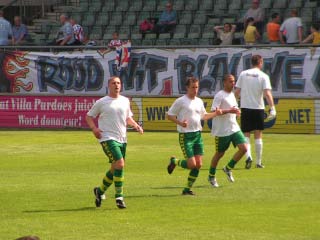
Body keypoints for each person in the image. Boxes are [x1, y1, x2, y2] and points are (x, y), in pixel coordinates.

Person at [86, 76, 143, 209]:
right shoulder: (102, 102)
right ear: (109, 86)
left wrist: (136, 125)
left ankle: (99, 192)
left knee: (115, 167)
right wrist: (94, 129)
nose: (116, 85)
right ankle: (119, 198)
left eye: (118, 83)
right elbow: (89, 116)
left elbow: (128, 117)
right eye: (113, 83)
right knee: (120, 163)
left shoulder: (124, 101)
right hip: (107, 138)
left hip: (122, 139)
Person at [166, 76, 222, 195]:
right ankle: (174, 161)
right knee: (192, 164)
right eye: (193, 87)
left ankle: (187, 189)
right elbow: (169, 115)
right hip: (186, 136)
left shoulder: (199, 101)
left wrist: (215, 114)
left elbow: (204, 116)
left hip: (197, 135)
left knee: (199, 164)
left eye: (197, 87)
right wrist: (180, 123)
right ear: (187, 87)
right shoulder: (181, 101)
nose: (195, 90)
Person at [235, 55, 276, 169]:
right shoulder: (263, 76)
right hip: (258, 108)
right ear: (260, 62)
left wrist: (234, 105)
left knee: (246, 134)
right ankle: (258, 162)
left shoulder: (243, 74)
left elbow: (237, 91)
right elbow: (267, 94)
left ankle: (248, 157)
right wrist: (272, 108)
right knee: (258, 134)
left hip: (245, 107)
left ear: (251, 62)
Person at [208, 74, 247, 187]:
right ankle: (211, 176)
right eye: (230, 81)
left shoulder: (232, 95)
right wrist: (229, 110)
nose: (233, 83)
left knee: (244, 148)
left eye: (234, 81)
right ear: (224, 82)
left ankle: (228, 168)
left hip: (233, 127)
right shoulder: (220, 95)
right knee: (219, 154)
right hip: (222, 130)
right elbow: (215, 111)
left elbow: (234, 109)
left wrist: (237, 112)